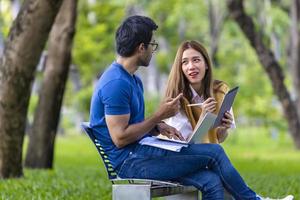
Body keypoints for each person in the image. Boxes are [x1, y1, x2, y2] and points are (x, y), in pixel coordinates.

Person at [89, 15, 293, 200]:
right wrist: (158, 116)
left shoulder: (132, 80)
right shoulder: (116, 83)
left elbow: (133, 127)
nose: (154, 49)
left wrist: (157, 126)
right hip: (130, 163)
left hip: (141, 152)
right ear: (141, 47)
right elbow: (120, 137)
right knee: (214, 152)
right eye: (152, 44)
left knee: (210, 181)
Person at [163, 40, 235, 144]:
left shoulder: (220, 91)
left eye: (196, 60)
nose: (191, 66)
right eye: (185, 62)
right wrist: (203, 119)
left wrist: (224, 128)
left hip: (211, 154)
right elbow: (186, 147)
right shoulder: (177, 98)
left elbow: (219, 138)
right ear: (181, 68)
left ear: (206, 64)